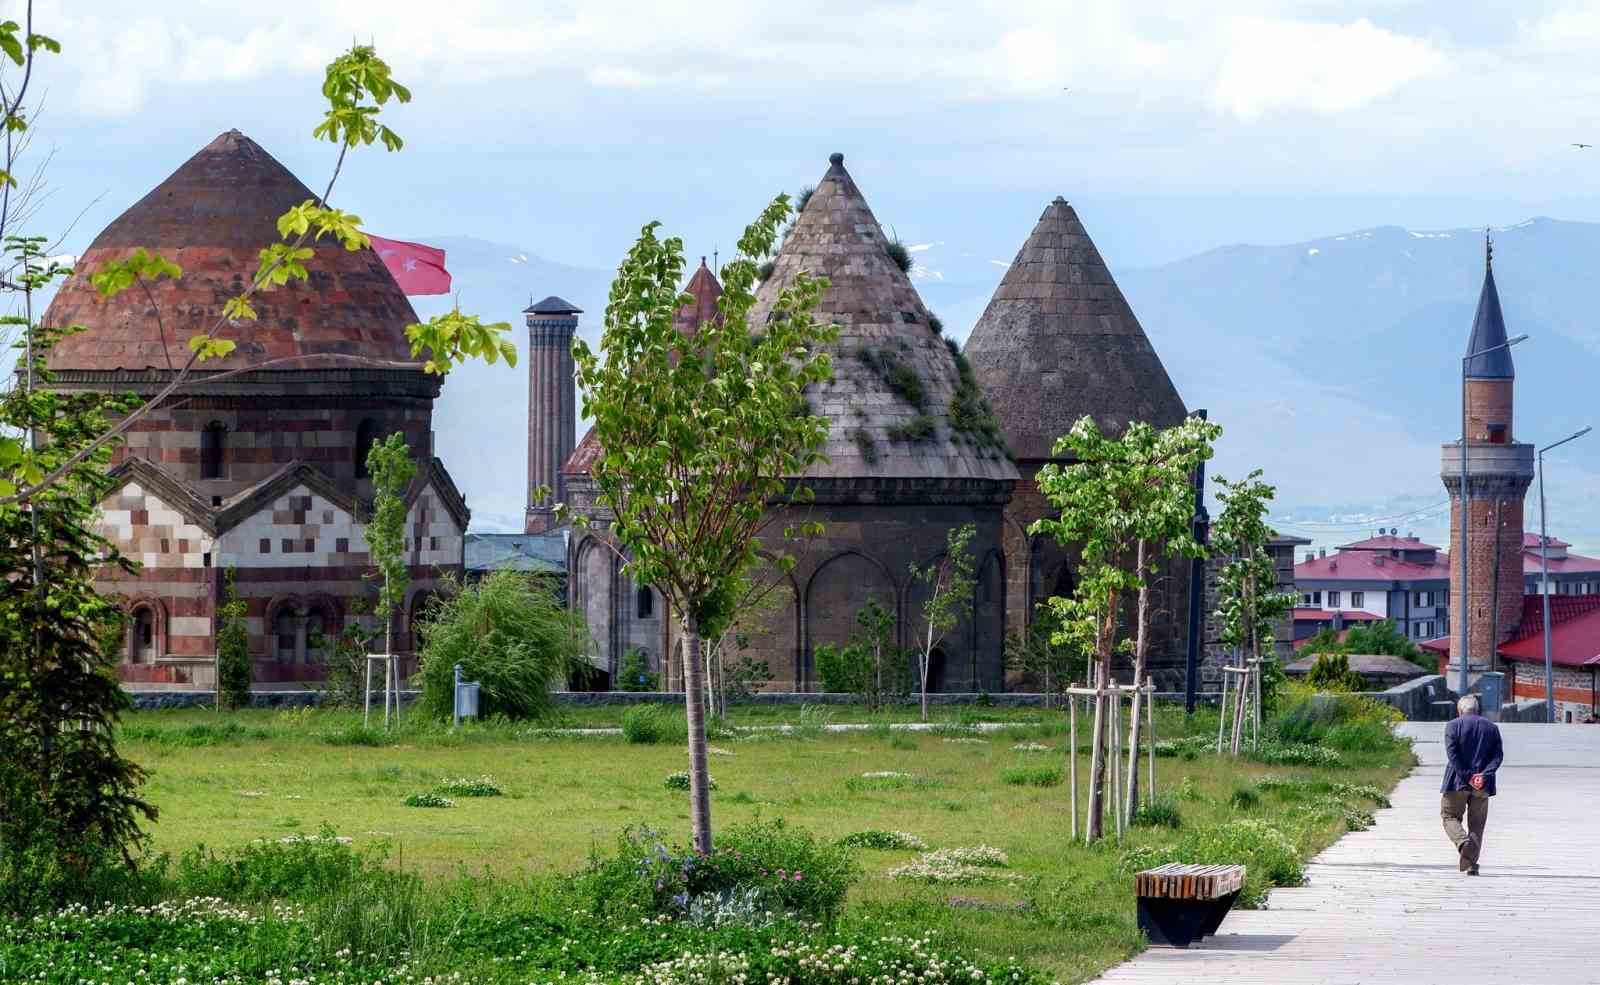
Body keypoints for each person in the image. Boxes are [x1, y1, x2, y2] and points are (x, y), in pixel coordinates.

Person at [1440, 693, 1503, 876]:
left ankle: (1462, 842)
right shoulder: (1492, 728)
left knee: (1449, 816)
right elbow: (1497, 756)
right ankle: (1471, 864)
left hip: (1456, 782)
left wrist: (1468, 776)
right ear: (1478, 710)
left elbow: (1453, 756)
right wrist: (1483, 775)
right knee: (1477, 824)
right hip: (1482, 785)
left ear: (1460, 711)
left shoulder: (1452, 726)